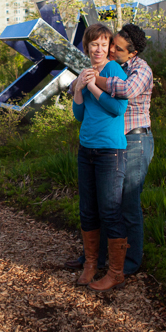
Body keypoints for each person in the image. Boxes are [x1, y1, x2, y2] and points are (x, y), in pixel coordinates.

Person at [65, 23, 154, 276]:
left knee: (126, 203)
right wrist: (78, 84)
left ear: (132, 53)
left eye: (116, 47)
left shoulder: (140, 69)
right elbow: (79, 92)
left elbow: (123, 92)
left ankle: (129, 264)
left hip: (136, 140)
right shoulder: (113, 66)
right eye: (109, 44)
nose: (110, 50)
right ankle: (95, 258)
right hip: (109, 140)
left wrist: (90, 81)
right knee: (104, 202)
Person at [73, 23, 129, 292]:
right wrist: (77, 90)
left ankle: (116, 272)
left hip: (110, 151)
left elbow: (118, 108)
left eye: (103, 44)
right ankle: (91, 264)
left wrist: (93, 87)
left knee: (110, 210)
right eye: (94, 44)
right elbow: (80, 115)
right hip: (87, 149)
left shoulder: (113, 70)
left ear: (109, 47)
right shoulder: (86, 71)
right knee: (88, 210)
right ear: (87, 47)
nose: (98, 48)